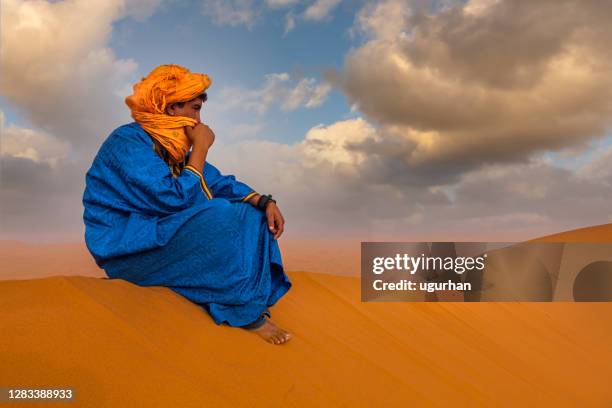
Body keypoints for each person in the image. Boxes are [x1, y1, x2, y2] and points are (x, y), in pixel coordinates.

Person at [82, 64, 292, 345]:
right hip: (129, 249)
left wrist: (263, 200)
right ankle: (244, 313)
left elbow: (215, 181)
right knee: (220, 214)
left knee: (251, 214)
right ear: (171, 109)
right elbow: (172, 198)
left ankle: (249, 298)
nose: (198, 118)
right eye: (194, 108)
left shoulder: (174, 147)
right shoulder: (128, 142)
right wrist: (201, 148)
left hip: (160, 237)